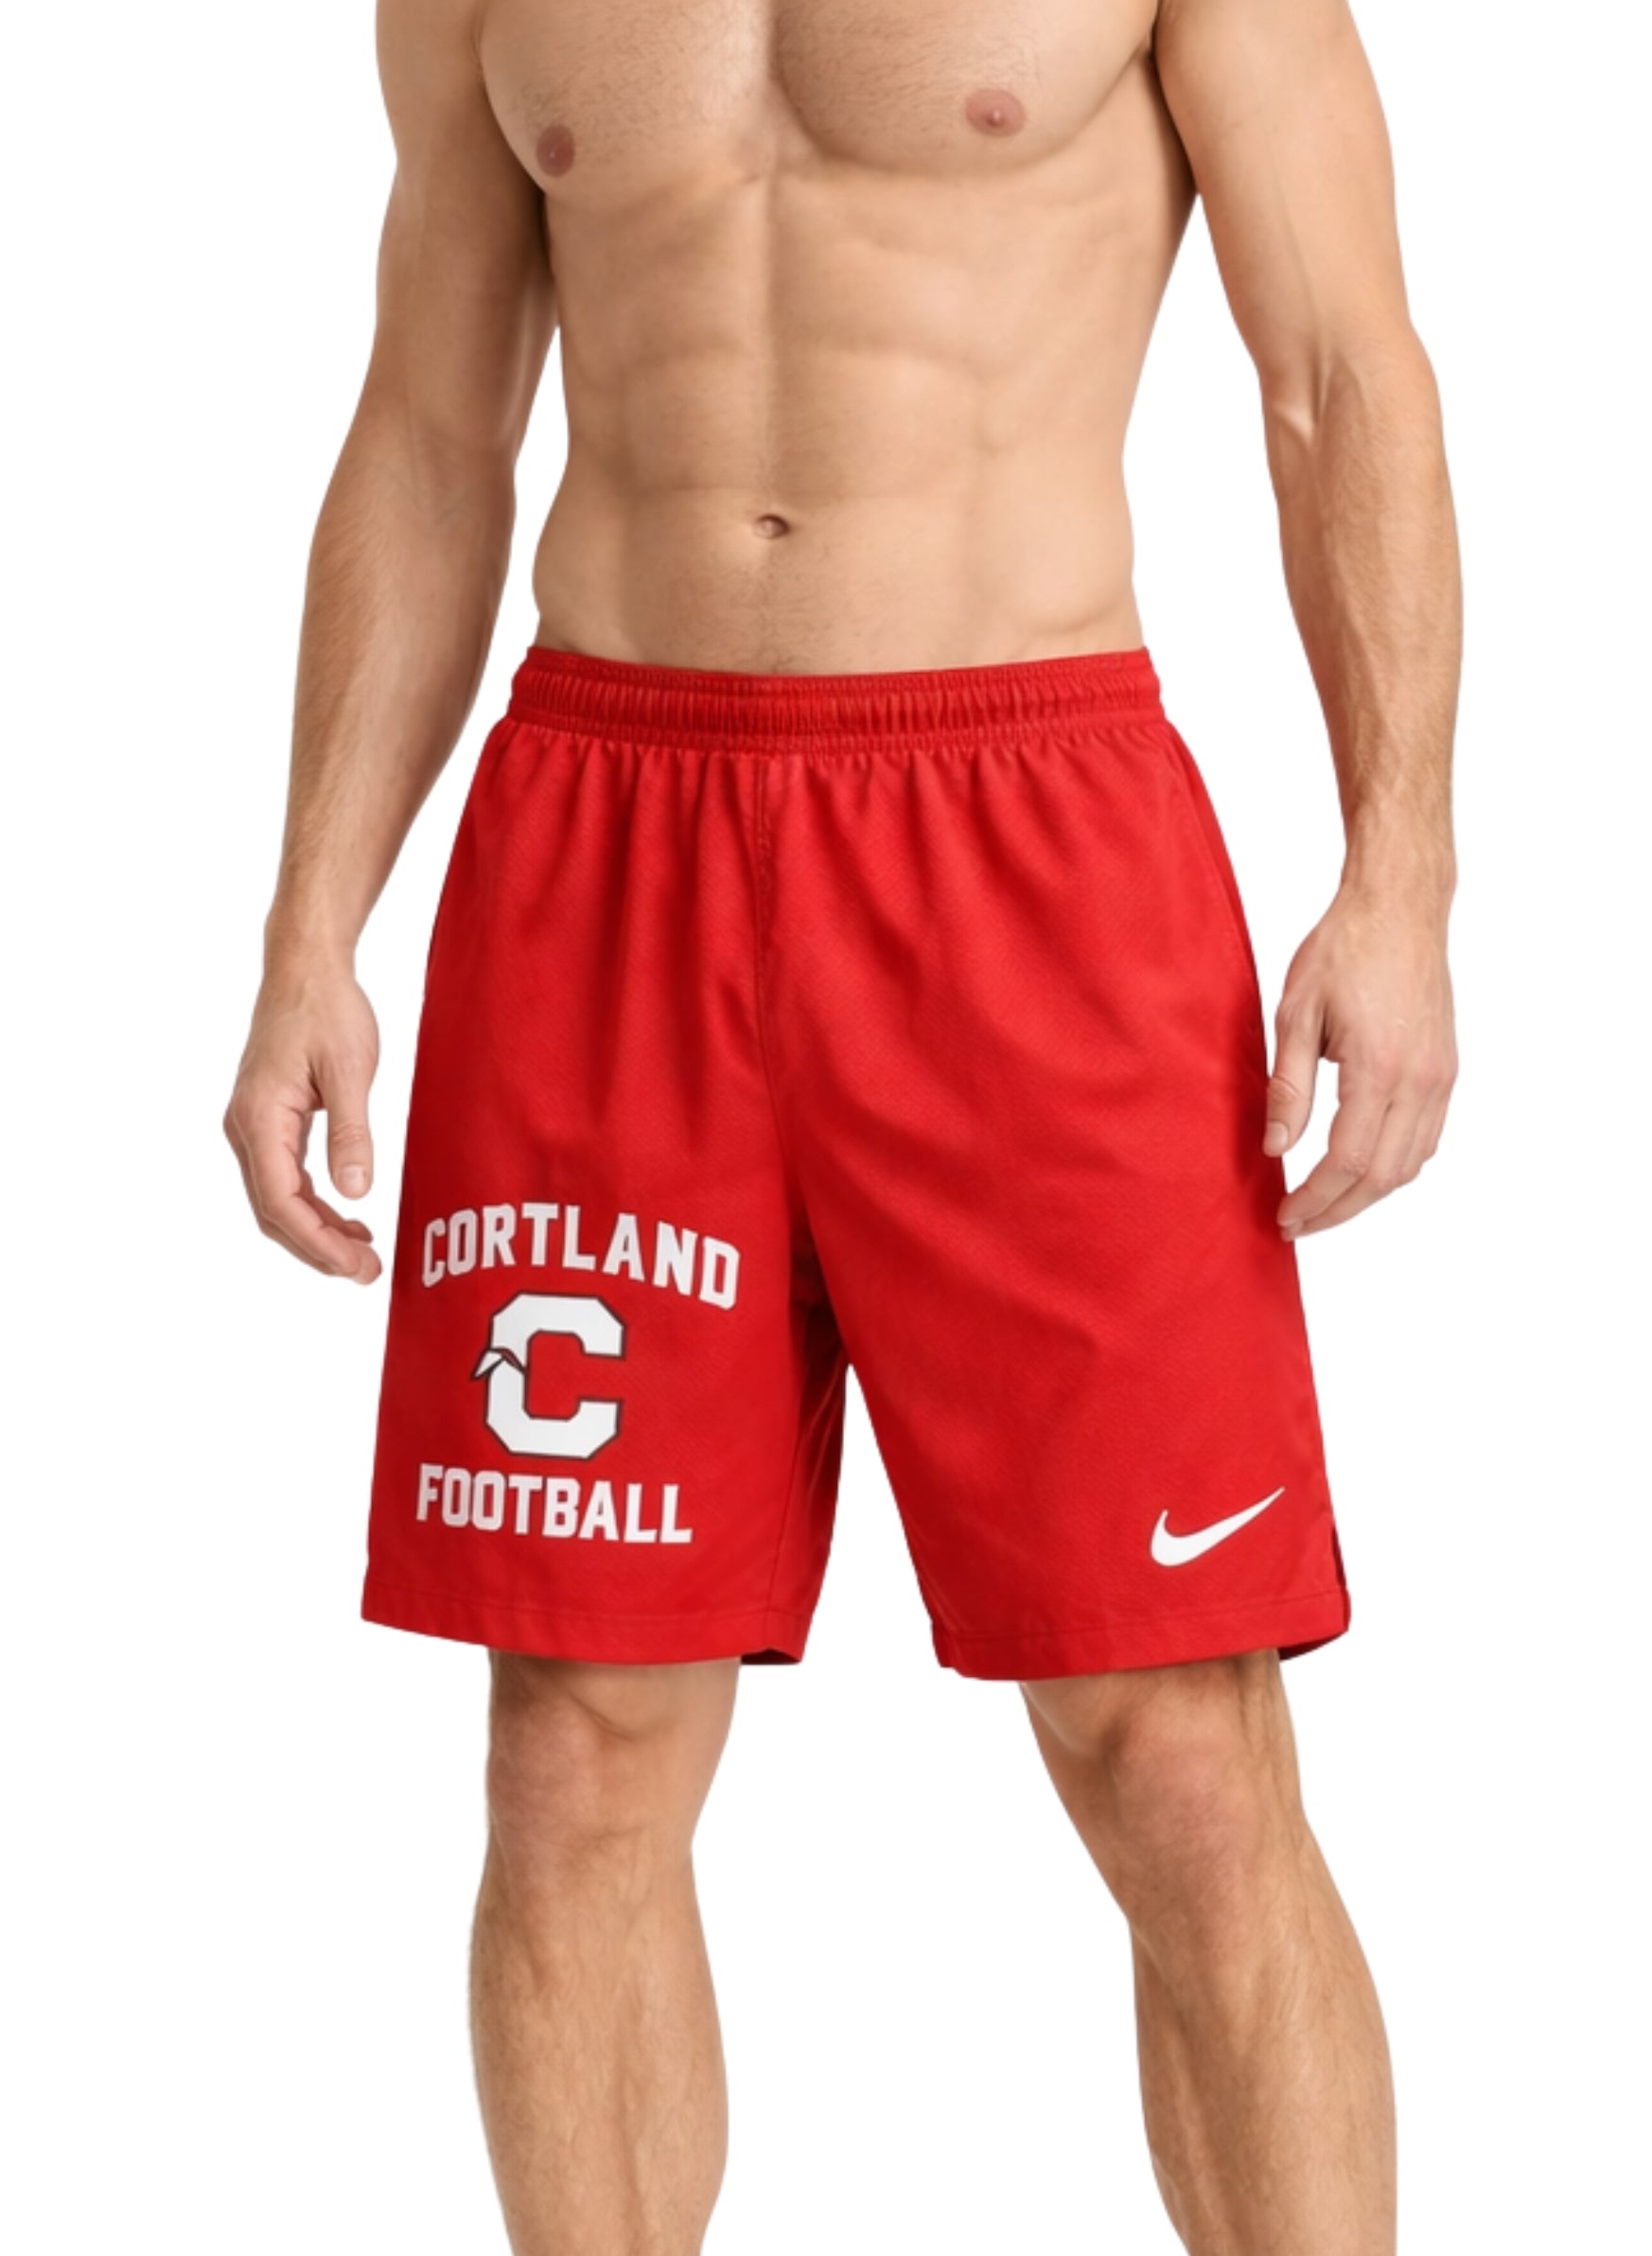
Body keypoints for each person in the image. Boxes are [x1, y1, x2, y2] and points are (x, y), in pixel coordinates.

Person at [224, 0, 1459, 2245]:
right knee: (570, 1752)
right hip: (603, 839)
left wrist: (1398, 875)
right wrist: (313, 916)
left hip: (1029, 839)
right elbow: (428, 420)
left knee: (1175, 1755)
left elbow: (1336, 377)